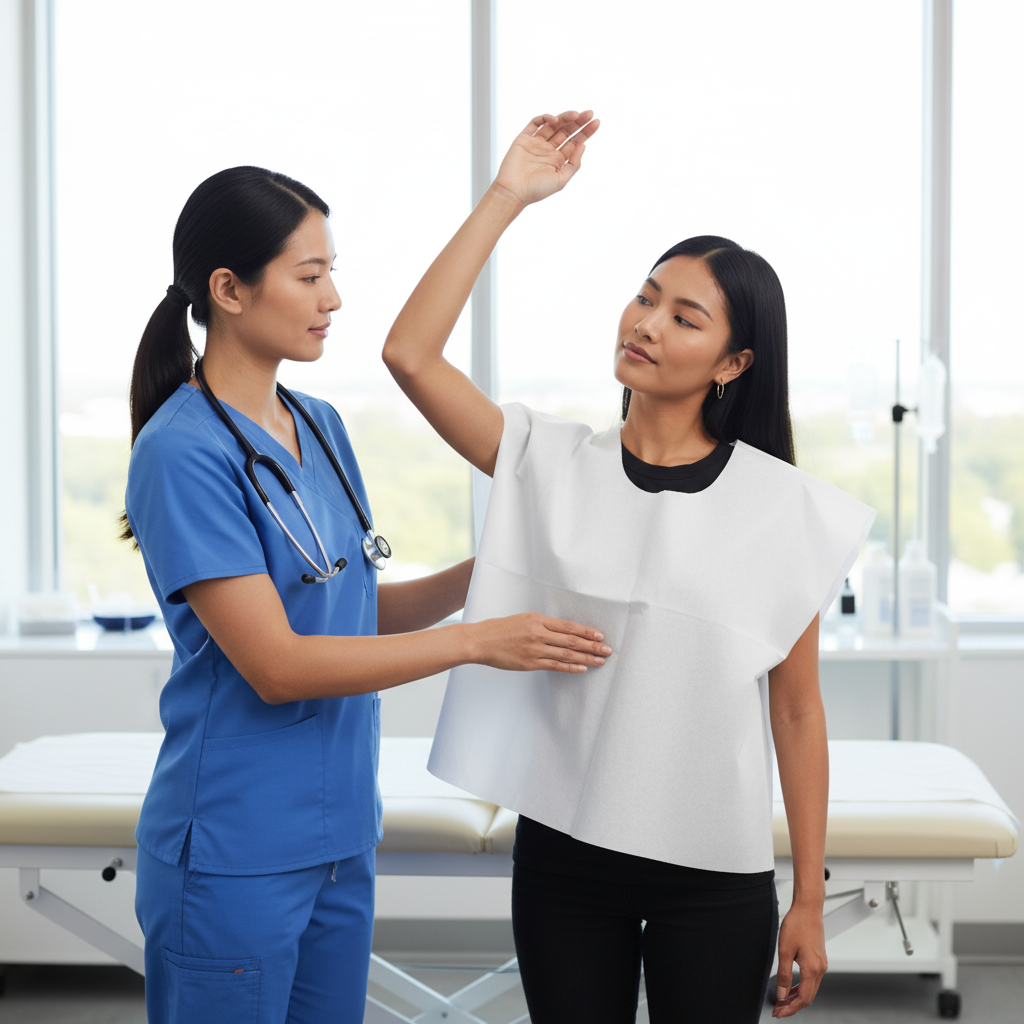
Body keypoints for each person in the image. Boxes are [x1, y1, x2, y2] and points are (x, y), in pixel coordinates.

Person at [382, 111, 875, 1022]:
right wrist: (507, 197)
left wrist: (808, 895)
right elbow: (409, 355)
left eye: (683, 317)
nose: (646, 323)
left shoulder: (784, 509)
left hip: (715, 874)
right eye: (645, 296)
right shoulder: (548, 460)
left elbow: (798, 709)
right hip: (567, 859)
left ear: (734, 362)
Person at [122, 165, 611, 1024]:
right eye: (309, 276)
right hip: (236, 846)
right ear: (228, 289)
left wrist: (487, 575)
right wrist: (476, 643)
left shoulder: (319, 426)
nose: (333, 298)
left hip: (341, 836)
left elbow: (346, 611)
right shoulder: (183, 452)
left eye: (331, 272)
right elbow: (276, 663)